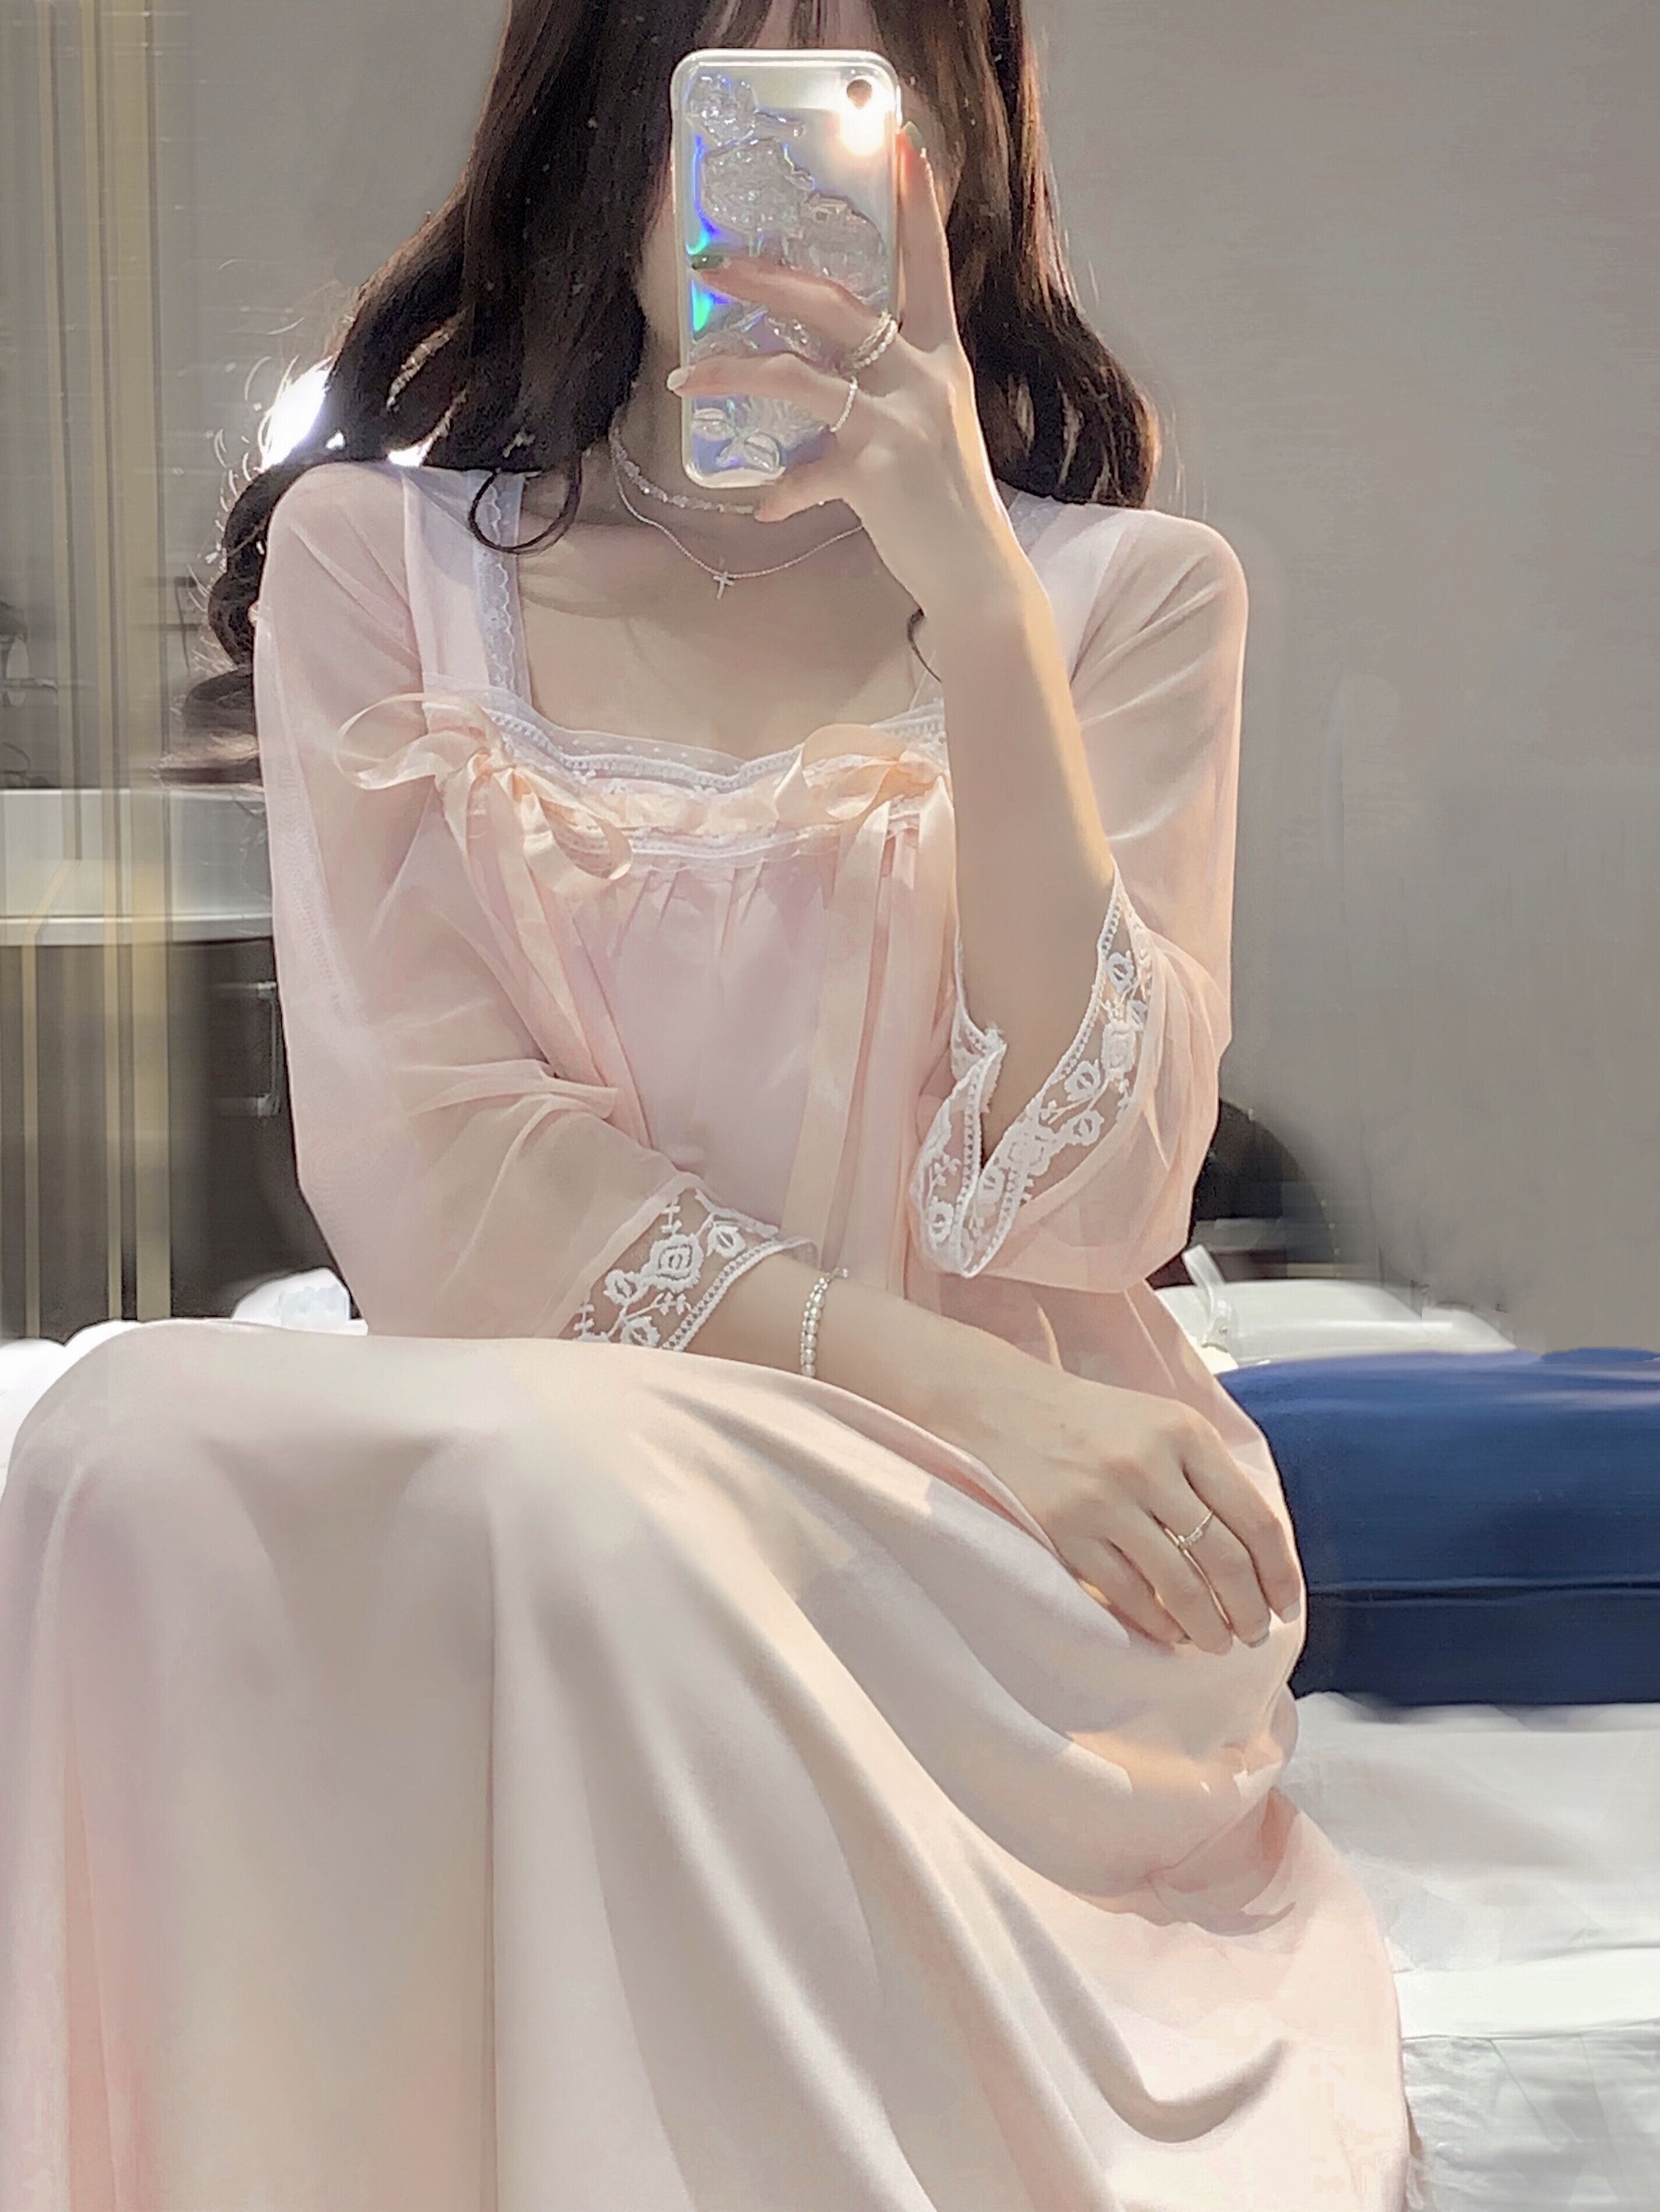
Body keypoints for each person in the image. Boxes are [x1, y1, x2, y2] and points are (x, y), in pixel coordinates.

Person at [0, 1, 1413, 2204]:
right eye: (733, 96)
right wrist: (956, 1377)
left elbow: (1096, 1198)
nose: (795, 179)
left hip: (993, 1539)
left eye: (870, 104)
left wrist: (977, 608)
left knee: (562, 1512)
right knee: (119, 1445)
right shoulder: (386, 569)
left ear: (961, 164)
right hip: (653, 1423)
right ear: (603, 132)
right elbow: (435, 1169)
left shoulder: (1129, 598)